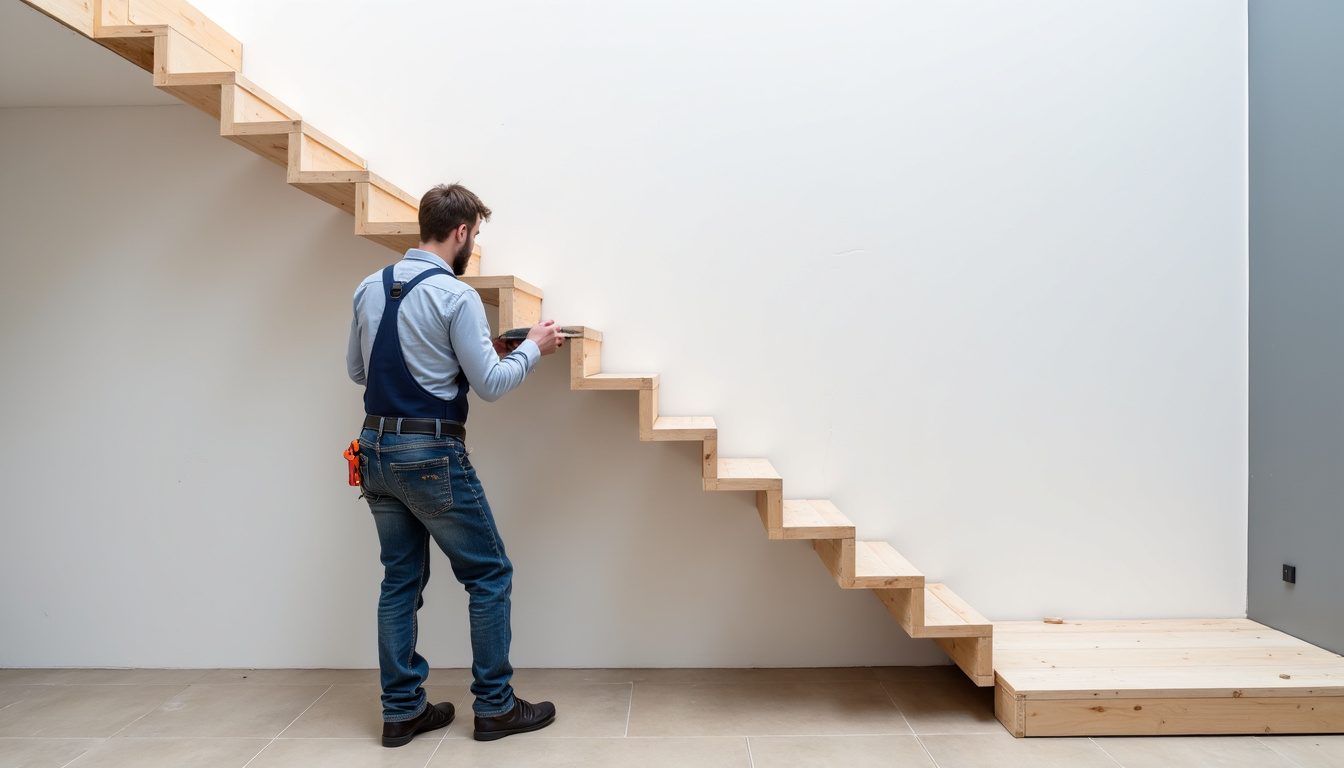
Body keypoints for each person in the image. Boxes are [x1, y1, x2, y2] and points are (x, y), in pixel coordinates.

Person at [346, 183, 564, 747]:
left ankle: (402, 712)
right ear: (462, 231)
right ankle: (494, 707)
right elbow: (490, 385)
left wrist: (458, 352)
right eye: (475, 235)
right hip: (431, 454)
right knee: (489, 575)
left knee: (400, 580)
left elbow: (358, 371)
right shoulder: (455, 294)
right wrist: (533, 347)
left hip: (373, 449)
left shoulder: (369, 287)